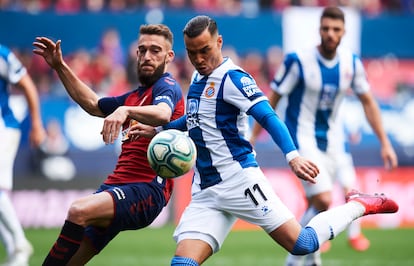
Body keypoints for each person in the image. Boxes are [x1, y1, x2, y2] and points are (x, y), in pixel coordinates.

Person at [132, 15, 399, 266]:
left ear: (219, 42)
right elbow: (194, 120)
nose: (199, 59)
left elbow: (268, 116)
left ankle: (358, 205)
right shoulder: (197, 76)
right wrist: (158, 131)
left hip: (240, 181)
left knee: (302, 243)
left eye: (205, 50)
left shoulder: (233, 78)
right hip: (206, 192)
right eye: (192, 53)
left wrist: (292, 155)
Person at [249, 7, 398, 266]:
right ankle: (298, 259)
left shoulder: (351, 64)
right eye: (326, 28)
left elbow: (368, 102)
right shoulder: (297, 61)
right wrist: (253, 137)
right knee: (323, 199)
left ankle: (308, 260)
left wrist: (384, 142)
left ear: (344, 32)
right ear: (319, 30)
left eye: (336, 29)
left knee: (319, 203)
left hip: (334, 142)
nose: (330, 34)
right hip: (302, 138)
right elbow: (272, 99)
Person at [32, 23, 185, 265]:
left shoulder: (167, 87)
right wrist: (60, 66)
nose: (147, 56)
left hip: (146, 190)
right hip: (116, 186)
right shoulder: (134, 96)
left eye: (155, 50)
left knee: (78, 210)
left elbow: (164, 113)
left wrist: (124, 111)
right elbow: (93, 104)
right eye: (142, 50)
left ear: (169, 56)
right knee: (70, 260)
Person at [0, 44, 46, 266]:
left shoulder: (1, 54)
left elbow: (27, 84)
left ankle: (19, 242)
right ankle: (17, 254)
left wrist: (37, 123)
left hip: (3, 128)